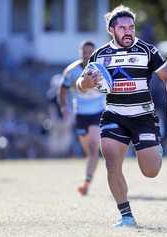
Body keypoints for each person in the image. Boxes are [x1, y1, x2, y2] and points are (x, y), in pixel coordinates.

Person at [76, 5, 167, 227]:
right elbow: (81, 83)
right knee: (110, 160)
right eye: (122, 28)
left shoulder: (147, 51)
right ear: (111, 30)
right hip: (114, 115)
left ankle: (155, 148)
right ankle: (126, 215)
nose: (128, 31)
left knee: (151, 171)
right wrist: (85, 83)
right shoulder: (100, 55)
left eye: (131, 27)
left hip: (143, 116)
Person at [58, 41, 106, 196]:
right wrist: (64, 108)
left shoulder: (102, 69)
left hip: (98, 112)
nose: (87, 55)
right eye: (84, 52)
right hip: (80, 114)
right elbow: (62, 90)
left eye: (90, 52)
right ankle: (90, 169)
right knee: (88, 151)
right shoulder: (71, 71)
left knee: (93, 148)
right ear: (80, 53)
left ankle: (86, 182)